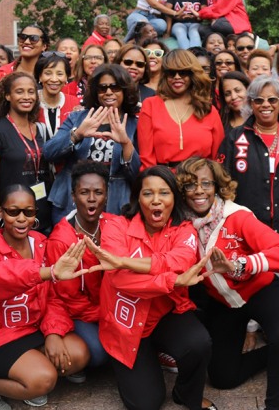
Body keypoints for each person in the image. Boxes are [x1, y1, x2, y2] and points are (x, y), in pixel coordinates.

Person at [176, 158, 279, 410]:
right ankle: (272, 355)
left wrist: (239, 265)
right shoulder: (180, 223)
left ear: (217, 186)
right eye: (190, 185)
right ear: (182, 190)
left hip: (260, 290)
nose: (199, 190)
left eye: (206, 183)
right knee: (223, 378)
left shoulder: (237, 216)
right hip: (223, 302)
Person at [0, 185, 94, 409]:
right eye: (13, 212)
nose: (21, 219)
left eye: (28, 212)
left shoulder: (40, 242)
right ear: (0, 213)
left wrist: (54, 332)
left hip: (31, 328)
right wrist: (43, 273)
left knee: (79, 354)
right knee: (43, 379)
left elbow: (53, 297)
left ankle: (26, 378)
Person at [98, 166, 215, 410]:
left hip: (164, 313)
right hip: (127, 325)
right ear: (137, 198)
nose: (156, 201)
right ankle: (141, 362)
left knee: (198, 342)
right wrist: (170, 281)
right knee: (146, 404)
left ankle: (186, 393)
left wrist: (125, 262)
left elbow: (181, 263)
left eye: (164, 193)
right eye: (148, 193)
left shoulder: (184, 229)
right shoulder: (115, 225)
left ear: (174, 197)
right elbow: (119, 280)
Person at [219, 76, 279, 303]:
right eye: (258, 100)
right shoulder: (235, 138)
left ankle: (265, 325)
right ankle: (251, 327)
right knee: (247, 280)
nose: (266, 105)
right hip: (246, 228)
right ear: (250, 103)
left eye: (272, 99)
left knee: (272, 284)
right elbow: (222, 183)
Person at [47, 162, 123, 372]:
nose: (91, 198)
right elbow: (68, 299)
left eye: (98, 192)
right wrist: (108, 316)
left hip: (107, 308)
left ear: (106, 196)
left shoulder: (114, 224)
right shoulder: (61, 240)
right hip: (79, 312)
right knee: (99, 353)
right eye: (84, 192)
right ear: (73, 196)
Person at [46, 64, 141, 222]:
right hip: (72, 201)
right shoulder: (78, 118)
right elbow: (49, 153)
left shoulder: (133, 124)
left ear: (125, 90)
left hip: (115, 204)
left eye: (115, 87)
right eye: (102, 88)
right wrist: (77, 135)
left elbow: (138, 175)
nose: (108, 92)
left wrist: (126, 143)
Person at [0, 72, 54, 230]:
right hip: (13, 217)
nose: (26, 97)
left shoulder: (42, 129)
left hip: (43, 213)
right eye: (19, 91)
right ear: (7, 96)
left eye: (31, 92)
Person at [138, 50, 224, 168]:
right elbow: (147, 159)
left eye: (183, 72)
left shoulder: (208, 109)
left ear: (192, 74)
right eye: (171, 73)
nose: (177, 77)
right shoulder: (150, 105)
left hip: (200, 180)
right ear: (165, 75)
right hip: (165, 181)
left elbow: (217, 158)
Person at [35, 53, 76, 141]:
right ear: (40, 77)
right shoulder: (30, 102)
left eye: (60, 74)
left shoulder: (75, 104)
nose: (54, 79)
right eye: (48, 73)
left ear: (66, 77)